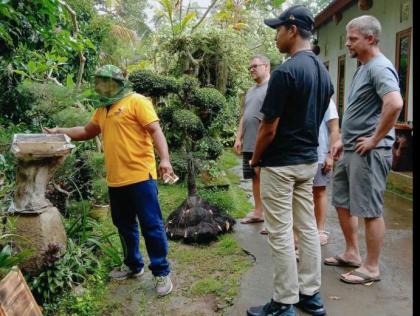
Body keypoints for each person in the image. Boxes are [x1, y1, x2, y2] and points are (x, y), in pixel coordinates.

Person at [44, 64, 175, 297]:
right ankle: (133, 265)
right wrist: (59, 132)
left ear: (114, 82)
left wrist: (164, 159)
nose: (98, 87)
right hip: (116, 181)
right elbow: (86, 131)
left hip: (140, 177)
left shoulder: (137, 101)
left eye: (102, 82)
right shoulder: (103, 109)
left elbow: (156, 131)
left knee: (151, 226)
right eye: (97, 83)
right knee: (124, 226)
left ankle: (161, 272)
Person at [247, 5, 333, 316]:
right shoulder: (323, 73)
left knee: (281, 232)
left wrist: (255, 160)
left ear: (292, 30)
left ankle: (284, 302)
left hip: (281, 164)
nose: (276, 36)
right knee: (308, 228)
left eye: (278, 29)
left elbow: (269, 128)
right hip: (307, 161)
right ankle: (310, 295)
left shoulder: (286, 72)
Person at [324, 16, 403, 285]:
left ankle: (371, 267)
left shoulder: (380, 67)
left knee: (370, 210)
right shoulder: (362, 67)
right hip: (351, 149)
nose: (347, 44)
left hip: (369, 152)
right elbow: (358, 110)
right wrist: (342, 138)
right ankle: (351, 253)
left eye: (353, 39)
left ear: (370, 38)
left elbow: (394, 103)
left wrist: (373, 139)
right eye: (347, 38)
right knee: (343, 202)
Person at [234, 54, 270, 235]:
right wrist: (238, 137)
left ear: (266, 66)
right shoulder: (250, 91)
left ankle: (272, 221)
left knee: (268, 179)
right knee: (255, 178)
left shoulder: (272, 88)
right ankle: (258, 211)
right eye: (250, 67)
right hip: (249, 142)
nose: (252, 69)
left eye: (255, 66)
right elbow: (245, 116)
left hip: (265, 143)